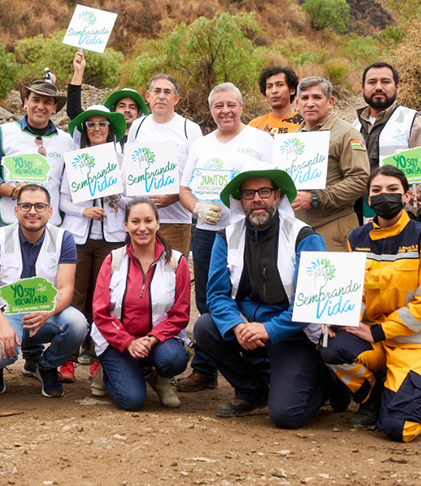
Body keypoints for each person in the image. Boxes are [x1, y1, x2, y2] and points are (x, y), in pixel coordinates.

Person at [194, 163, 339, 428]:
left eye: (264, 191)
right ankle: (253, 390)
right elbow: (216, 295)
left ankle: (326, 381)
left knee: (286, 416)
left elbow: (311, 303)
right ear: (241, 201)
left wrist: (269, 329)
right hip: (248, 327)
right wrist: (237, 326)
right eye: (249, 194)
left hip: (292, 334)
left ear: (277, 196)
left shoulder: (303, 237)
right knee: (205, 327)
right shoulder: (226, 237)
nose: (257, 199)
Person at [325, 165, 421, 443]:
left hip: (416, 343)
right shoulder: (357, 239)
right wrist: (335, 314)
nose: (385, 196)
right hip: (375, 342)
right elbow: (354, 291)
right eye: (376, 190)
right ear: (368, 199)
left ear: (406, 196)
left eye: (393, 190)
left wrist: (378, 332)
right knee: (329, 345)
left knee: (399, 428)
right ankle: (371, 398)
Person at [175, 83, 273, 392]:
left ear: (242, 107)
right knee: (206, 298)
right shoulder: (202, 144)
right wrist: (197, 208)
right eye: (219, 106)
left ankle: (261, 366)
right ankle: (205, 369)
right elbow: (184, 189)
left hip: (251, 232)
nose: (225, 110)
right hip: (208, 233)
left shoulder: (260, 140)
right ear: (211, 110)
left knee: (252, 295)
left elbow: (275, 182)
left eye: (231, 104)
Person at [0, 185, 88, 397]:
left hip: (45, 313)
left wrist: (48, 312)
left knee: (77, 324)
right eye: (26, 205)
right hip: (7, 313)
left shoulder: (63, 238)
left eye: (39, 206)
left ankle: (46, 366)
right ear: (16, 210)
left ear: (50, 211)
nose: (33, 211)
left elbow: (66, 289)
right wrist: (2, 325)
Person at [92, 198, 190, 410]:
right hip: (118, 341)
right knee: (132, 400)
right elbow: (100, 313)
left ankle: (160, 379)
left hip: (158, 341)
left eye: (148, 220)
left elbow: (180, 315)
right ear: (125, 225)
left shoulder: (176, 262)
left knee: (174, 358)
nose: (142, 227)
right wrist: (128, 342)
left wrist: (153, 339)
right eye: (135, 221)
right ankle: (109, 369)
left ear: (158, 223)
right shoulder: (113, 260)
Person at [59, 105, 129, 382]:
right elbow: (64, 200)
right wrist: (83, 211)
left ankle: (101, 357)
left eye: (102, 123)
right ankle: (66, 358)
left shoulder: (122, 161)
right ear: (85, 131)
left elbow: (134, 202)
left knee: (105, 299)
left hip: (110, 240)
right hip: (78, 237)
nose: (97, 128)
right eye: (91, 125)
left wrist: (116, 198)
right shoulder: (76, 160)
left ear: (110, 128)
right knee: (72, 298)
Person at [127, 74, 204, 258]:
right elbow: (129, 169)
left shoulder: (190, 129)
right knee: (140, 274)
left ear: (176, 99)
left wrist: (175, 196)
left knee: (174, 273)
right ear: (148, 96)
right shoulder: (137, 126)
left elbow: (199, 174)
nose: (161, 96)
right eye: (157, 91)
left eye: (167, 92)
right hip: (141, 220)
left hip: (176, 219)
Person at [0, 80, 74, 228]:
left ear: (54, 108)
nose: (40, 106)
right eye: (35, 100)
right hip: (9, 221)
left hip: (51, 225)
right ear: (25, 103)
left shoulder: (67, 141)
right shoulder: (4, 133)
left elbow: (68, 185)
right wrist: (13, 192)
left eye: (47, 102)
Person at [291, 77, 370, 251]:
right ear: (297, 103)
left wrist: (315, 198)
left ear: (330, 101)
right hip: (299, 228)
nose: (310, 103)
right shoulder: (293, 138)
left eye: (317, 97)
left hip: (334, 225)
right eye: (304, 98)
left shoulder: (347, 134)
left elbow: (360, 180)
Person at [353, 62, 421, 222]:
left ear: (397, 87)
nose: (378, 87)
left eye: (385, 82)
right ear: (363, 87)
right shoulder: (354, 126)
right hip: (362, 217)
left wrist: (409, 210)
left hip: (403, 218)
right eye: (372, 82)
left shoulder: (412, 121)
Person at [67, 49, 149, 145]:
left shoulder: (146, 139)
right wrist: (78, 72)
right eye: (122, 106)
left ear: (139, 114)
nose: (127, 110)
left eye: (132, 107)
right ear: (113, 111)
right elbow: (73, 110)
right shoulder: (95, 139)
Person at [249, 66, 304, 136]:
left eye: (280, 85)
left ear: (292, 90)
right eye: (269, 86)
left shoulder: (304, 122)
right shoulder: (254, 126)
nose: (274, 91)